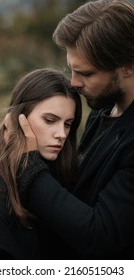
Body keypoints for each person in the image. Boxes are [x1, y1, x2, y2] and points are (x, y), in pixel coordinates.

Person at [9, 0, 134, 259]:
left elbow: (100, 236)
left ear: (128, 66)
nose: (74, 83)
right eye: (71, 69)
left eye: (86, 73)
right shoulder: (102, 111)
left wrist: (28, 165)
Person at [0, 68, 82, 260]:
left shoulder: (66, 174)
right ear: (19, 119)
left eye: (67, 124)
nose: (61, 134)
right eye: (50, 120)